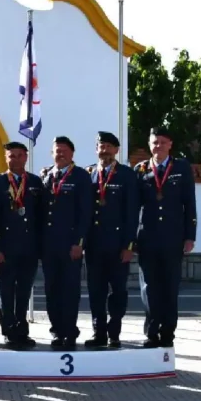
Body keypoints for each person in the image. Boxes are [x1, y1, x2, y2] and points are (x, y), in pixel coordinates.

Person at [135, 126, 197, 348]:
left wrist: (190, 236)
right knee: (148, 288)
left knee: (169, 287)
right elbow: (134, 207)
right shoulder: (141, 169)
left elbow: (189, 204)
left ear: (170, 144)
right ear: (149, 145)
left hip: (173, 238)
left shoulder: (181, 167)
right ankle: (151, 332)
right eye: (154, 142)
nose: (158, 146)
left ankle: (168, 332)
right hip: (147, 238)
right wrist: (132, 239)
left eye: (162, 142)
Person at [0, 142, 45, 348]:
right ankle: (8, 330)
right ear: (6, 158)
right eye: (12, 156)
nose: (16, 159)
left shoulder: (36, 183)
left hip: (29, 247)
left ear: (26, 157)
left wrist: (40, 247)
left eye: (20, 155)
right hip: (6, 248)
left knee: (24, 291)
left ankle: (22, 330)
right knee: (6, 290)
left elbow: (41, 217)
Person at [84, 132, 139, 348]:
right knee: (95, 291)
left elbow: (132, 213)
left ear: (116, 150)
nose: (104, 150)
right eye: (100, 146)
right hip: (94, 244)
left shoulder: (126, 175)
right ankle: (98, 333)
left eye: (108, 146)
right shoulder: (88, 173)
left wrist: (129, 245)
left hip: (118, 245)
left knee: (118, 291)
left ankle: (114, 331)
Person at [40, 136, 92, 350]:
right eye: (56, 151)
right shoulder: (46, 176)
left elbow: (85, 213)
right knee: (51, 290)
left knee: (69, 290)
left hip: (70, 245)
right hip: (48, 246)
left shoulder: (80, 177)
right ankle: (56, 331)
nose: (59, 154)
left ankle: (69, 332)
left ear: (72, 154)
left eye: (64, 151)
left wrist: (79, 242)